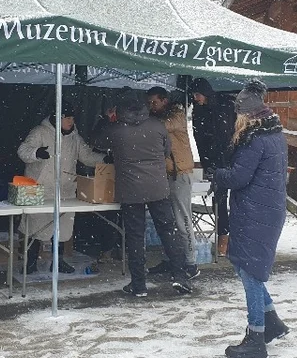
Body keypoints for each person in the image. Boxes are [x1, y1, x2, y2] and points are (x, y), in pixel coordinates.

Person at [211, 80, 289, 358]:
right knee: (246, 267)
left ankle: (256, 337)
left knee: (249, 273)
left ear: (248, 115)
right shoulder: (275, 135)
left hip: (255, 213)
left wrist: (217, 174)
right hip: (267, 210)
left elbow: (239, 178)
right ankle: (272, 323)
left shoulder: (254, 140)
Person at [92, 90, 192, 297]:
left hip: (131, 190)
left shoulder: (116, 129)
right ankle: (181, 277)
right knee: (168, 231)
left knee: (136, 237)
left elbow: (97, 142)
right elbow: (166, 151)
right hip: (158, 186)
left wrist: (104, 120)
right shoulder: (157, 125)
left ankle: (139, 285)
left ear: (120, 111)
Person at [18, 100, 104, 274]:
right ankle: (30, 262)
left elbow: (86, 156)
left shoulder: (74, 137)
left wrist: (103, 159)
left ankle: (58, 262)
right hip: (39, 189)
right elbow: (23, 151)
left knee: (62, 228)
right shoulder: (40, 132)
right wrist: (36, 153)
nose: (70, 121)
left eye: (72, 118)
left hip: (64, 191)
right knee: (34, 228)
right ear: (57, 117)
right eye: (66, 118)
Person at [145, 86, 199, 279]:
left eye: (154, 102)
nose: (152, 106)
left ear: (164, 101)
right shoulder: (159, 117)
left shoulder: (177, 116)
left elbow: (162, 126)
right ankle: (172, 259)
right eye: (149, 103)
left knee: (182, 220)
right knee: (168, 222)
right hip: (166, 173)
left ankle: (191, 263)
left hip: (180, 174)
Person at [191, 77, 236, 256]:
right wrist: (207, 162)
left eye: (198, 94)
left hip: (230, 158)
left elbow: (227, 135)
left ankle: (230, 238)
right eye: (194, 95)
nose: (195, 98)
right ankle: (222, 238)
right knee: (219, 201)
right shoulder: (199, 111)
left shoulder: (225, 107)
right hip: (214, 161)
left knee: (233, 200)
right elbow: (200, 139)